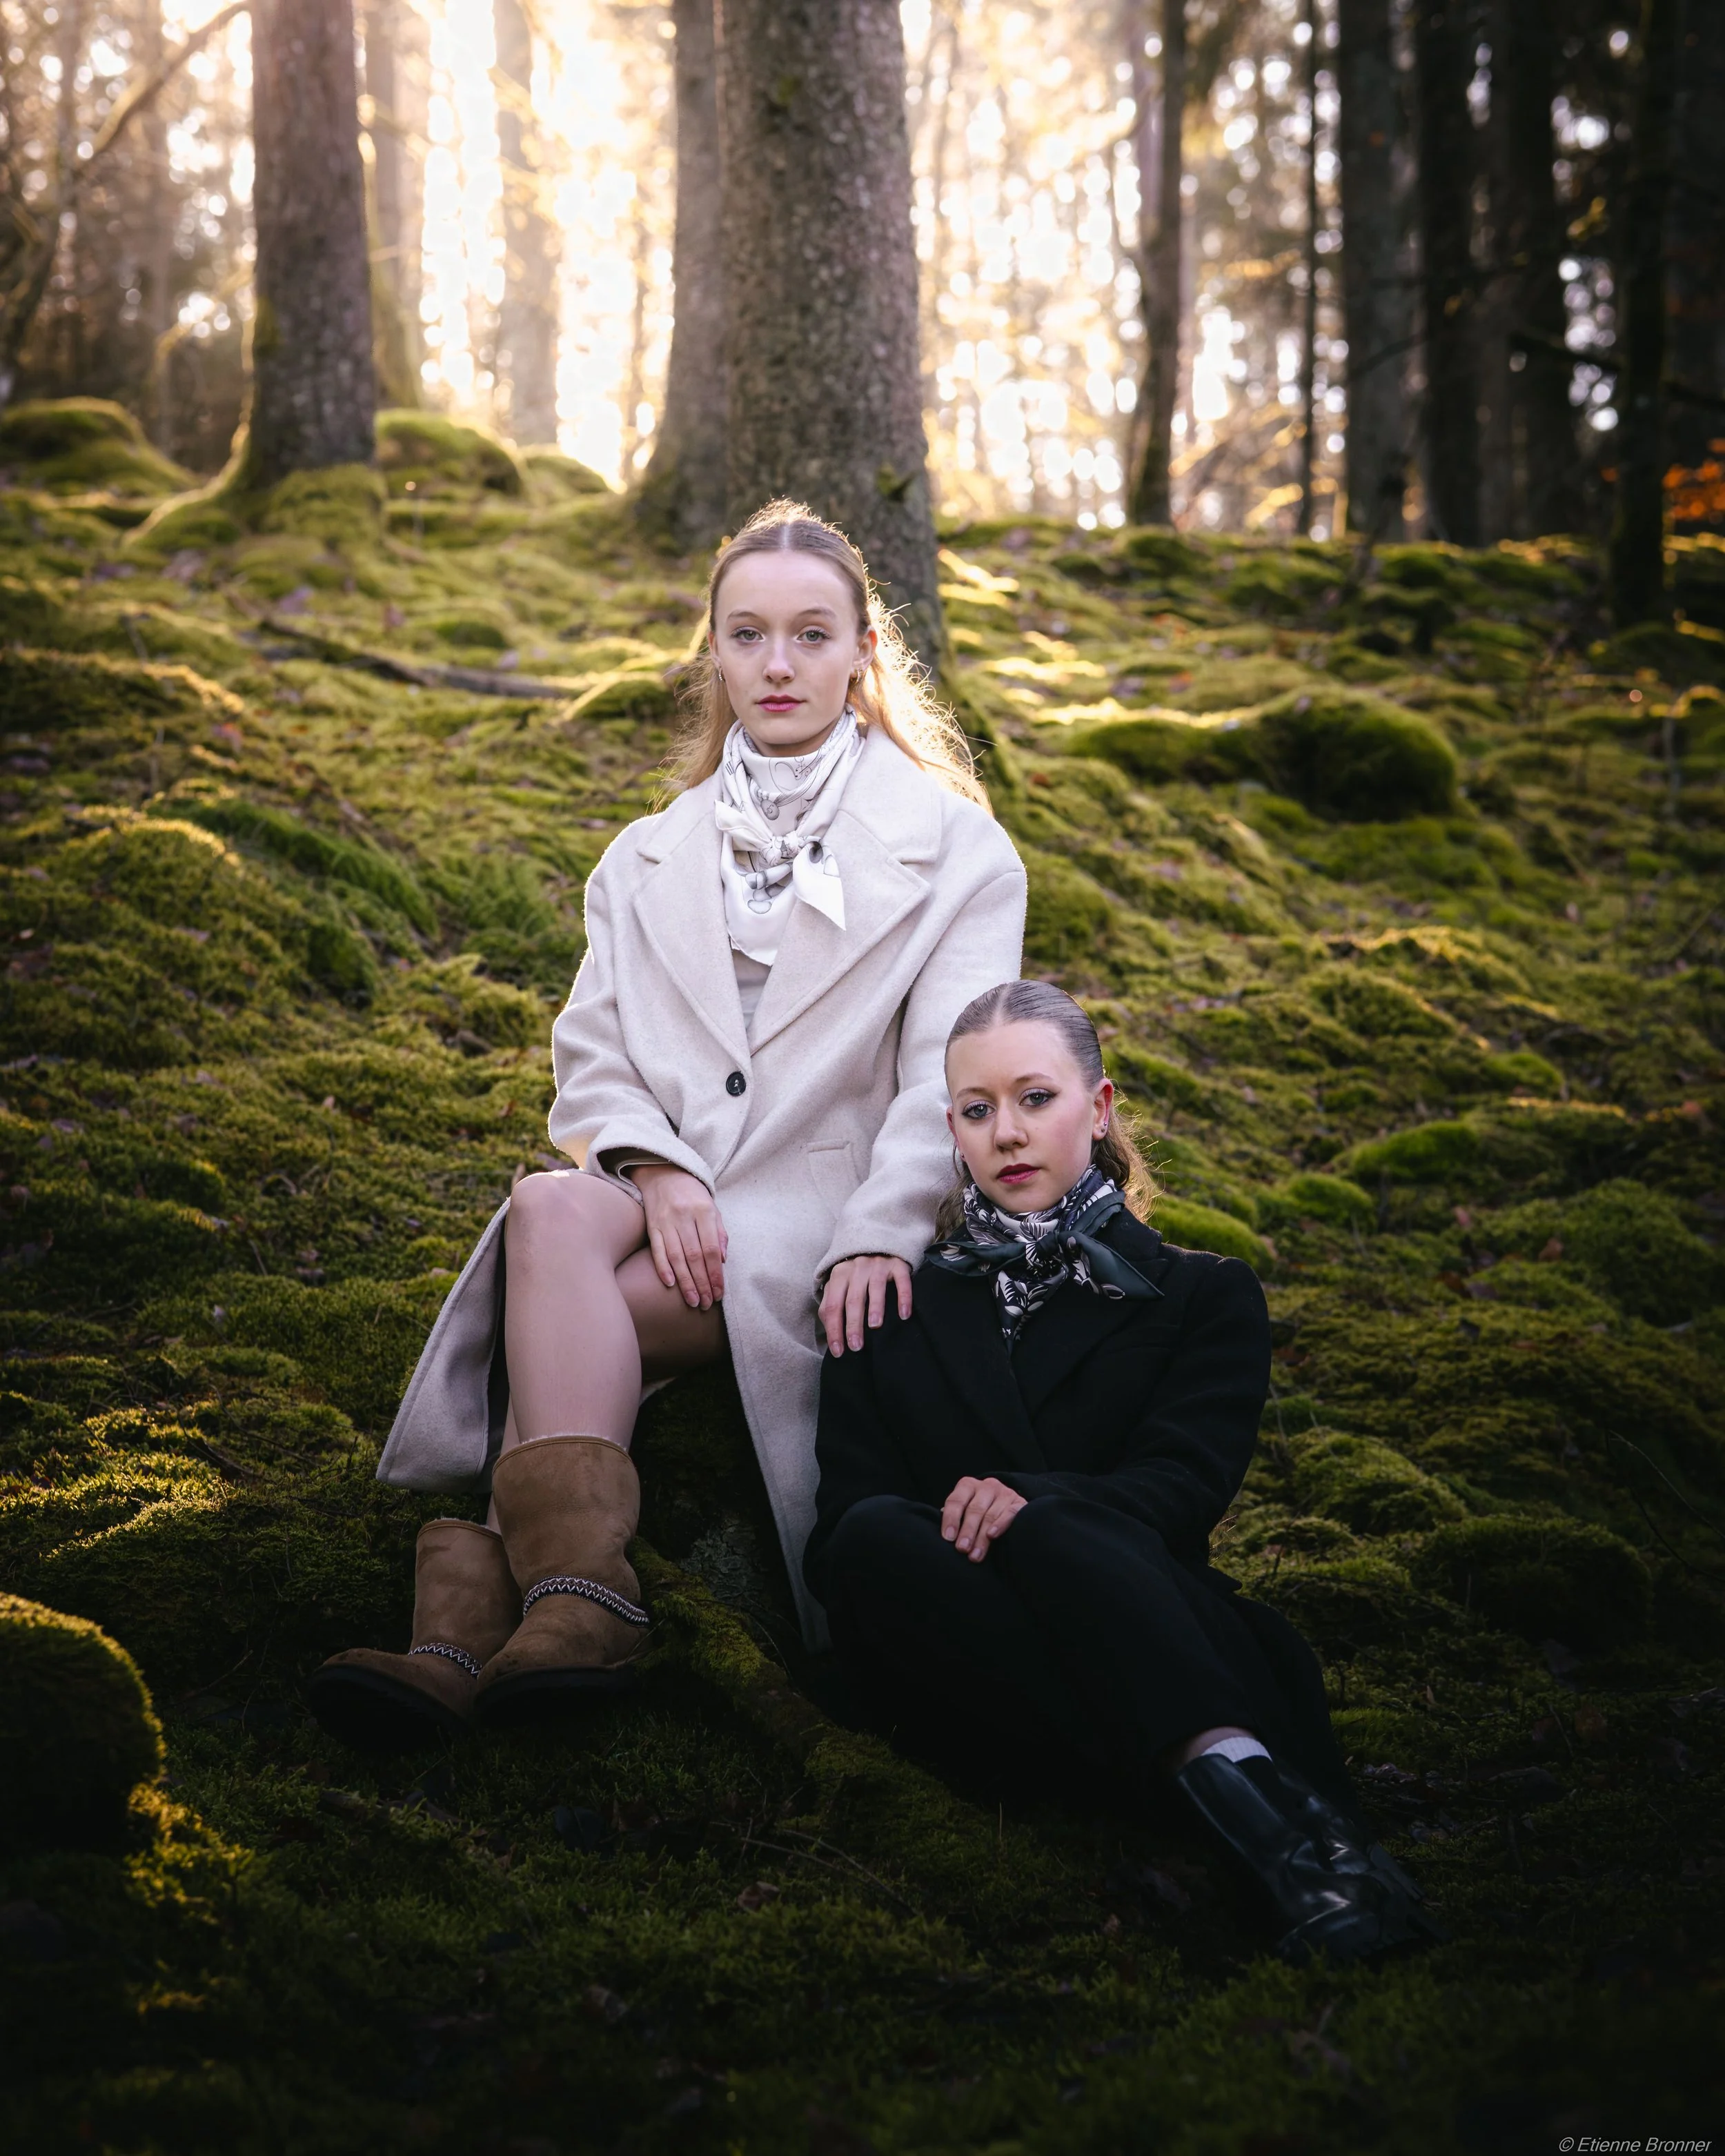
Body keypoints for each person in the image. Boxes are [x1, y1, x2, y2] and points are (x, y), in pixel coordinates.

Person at [308, 501, 1027, 1747]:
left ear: (865, 651)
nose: (779, 664)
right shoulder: (643, 857)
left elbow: (948, 1084)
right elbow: (591, 1054)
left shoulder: (958, 849)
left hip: (822, 1210)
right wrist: (658, 1165)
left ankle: (468, 1622)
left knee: (564, 1317)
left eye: (812, 635)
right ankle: (576, 1600)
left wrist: (879, 1233)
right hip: (669, 1196)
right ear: (716, 651)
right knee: (546, 1202)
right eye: (748, 635)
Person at [805, 980, 1437, 1965]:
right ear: (951, 1134)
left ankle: (1302, 1850)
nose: (1008, 1133)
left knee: (1051, 1523)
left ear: (1098, 1111)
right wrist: (981, 1528)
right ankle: (1275, 1822)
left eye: (1036, 1098)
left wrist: (1032, 1506)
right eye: (978, 1111)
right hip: (967, 1655)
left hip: (1161, 1624)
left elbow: (1181, 1491)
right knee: (872, 1539)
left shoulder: (1203, 1294)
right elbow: (842, 1524)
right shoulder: (886, 1303)